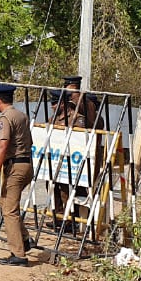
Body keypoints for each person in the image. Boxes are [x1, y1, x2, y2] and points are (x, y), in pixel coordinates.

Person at [0, 83, 34, 267]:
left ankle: (19, 254)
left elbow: (3, 145)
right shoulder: (22, 116)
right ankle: (24, 240)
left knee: (9, 211)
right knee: (6, 203)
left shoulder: (5, 118)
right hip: (26, 165)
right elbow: (30, 141)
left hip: (15, 167)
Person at [50, 75, 88, 233]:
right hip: (56, 160)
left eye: (54, 103)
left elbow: (79, 140)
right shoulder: (53, 119)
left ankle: (71, 219)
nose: (52, 107)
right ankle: (60, 217)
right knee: (54, 188)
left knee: (69, 190)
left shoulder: (77, 118)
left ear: (63, 103)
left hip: (72, 162)